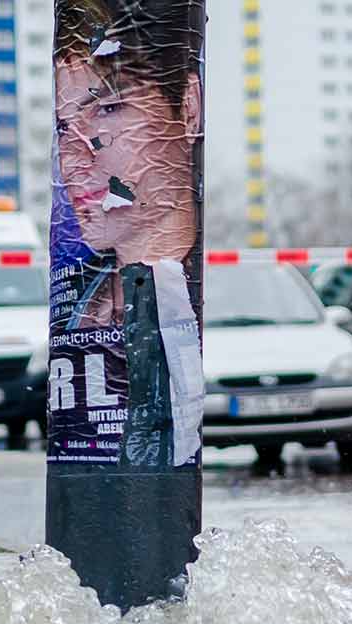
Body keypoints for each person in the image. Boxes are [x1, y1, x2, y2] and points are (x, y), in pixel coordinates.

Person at [51, 0, 205, 468]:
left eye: (108, 108)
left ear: (189, 109)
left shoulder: (191, 292)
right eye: (63, 126)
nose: (76, 157)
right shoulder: (76, 294)